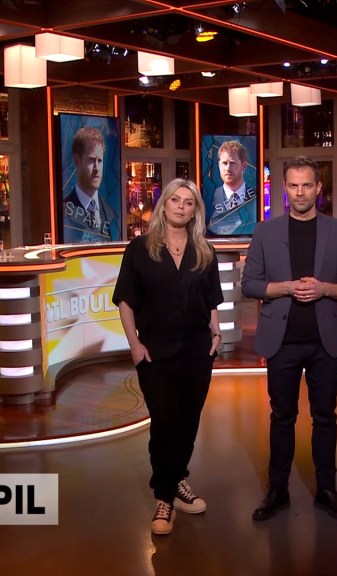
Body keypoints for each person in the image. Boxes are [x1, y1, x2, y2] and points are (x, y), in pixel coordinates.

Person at [241, 156, 337, 523]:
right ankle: (277, 490)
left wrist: (325, 289)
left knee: (325, 417)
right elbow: (250, 284)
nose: (299, 192)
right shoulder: (266, 231)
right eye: (293, 185)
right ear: (285, 188)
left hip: (324, 341)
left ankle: (327, 491)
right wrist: (284, 288)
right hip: (282, 340)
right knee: (282, 417)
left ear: (318, 188)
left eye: (306, 185)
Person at [112, 178, 223, 536]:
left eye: (188, 202)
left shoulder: (204, 251)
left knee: (188, 421)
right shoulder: (139, 249)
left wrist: (216, 333)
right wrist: (134, 344)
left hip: (197, 350)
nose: (180, 207)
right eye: (175, 200)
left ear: (195, 211)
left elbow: (211, 300)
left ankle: (176, 481)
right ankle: (164, 496)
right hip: (155, 351)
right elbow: (125, 300)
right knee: (163, 422)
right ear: (164, 205)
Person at [64, 126, 116, 242]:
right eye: (92, 160)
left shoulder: (110, 211)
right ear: (77, 161)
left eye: (100, 161)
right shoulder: (65, 211)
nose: (97, 169)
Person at [207, 139, 256, 236]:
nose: (228, 168)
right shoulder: (208, 199)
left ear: (244, 166)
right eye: (224, 163)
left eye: (232, 163)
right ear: (219, 165)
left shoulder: (255, 198)